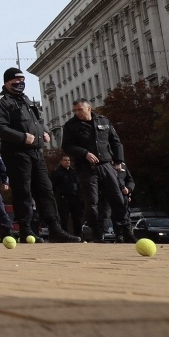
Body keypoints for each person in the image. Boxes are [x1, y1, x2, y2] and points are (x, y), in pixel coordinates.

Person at [0, 68, 78, 242]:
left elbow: (39, 120)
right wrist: (22, 137)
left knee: (46, 190)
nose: (21, 83)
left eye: (23, 80)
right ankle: (26, 229)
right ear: (7, 82)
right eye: (17, 80)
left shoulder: (25, 99)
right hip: (17, 153)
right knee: (23, 191)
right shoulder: (0, 102)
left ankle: (54, 227)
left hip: (36, 152)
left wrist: (44, 131)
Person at [61, 99, 132, 243]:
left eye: (80, 109)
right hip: (86, 167)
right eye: (75, 110)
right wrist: (84, 153)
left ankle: (125, 231)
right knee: (91, 202)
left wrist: (118, 161)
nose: (77, 113)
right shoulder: (70, 126)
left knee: (117, 199)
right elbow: (67, 146)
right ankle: (97, 233)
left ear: (89, 108)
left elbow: (115, 141)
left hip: (106, 165)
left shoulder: (103, 121)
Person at [51, 152, 83, 239]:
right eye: (65, 160)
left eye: (68, 160)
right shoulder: (57, 173)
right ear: (61, 162)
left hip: (75, 197)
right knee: (63, 218)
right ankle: (64, 236)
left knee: (77, 218)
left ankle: (79, 236)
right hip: (63, 198)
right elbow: (53, 186)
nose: (67, 162)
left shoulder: (74, 172)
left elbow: (79, 184)